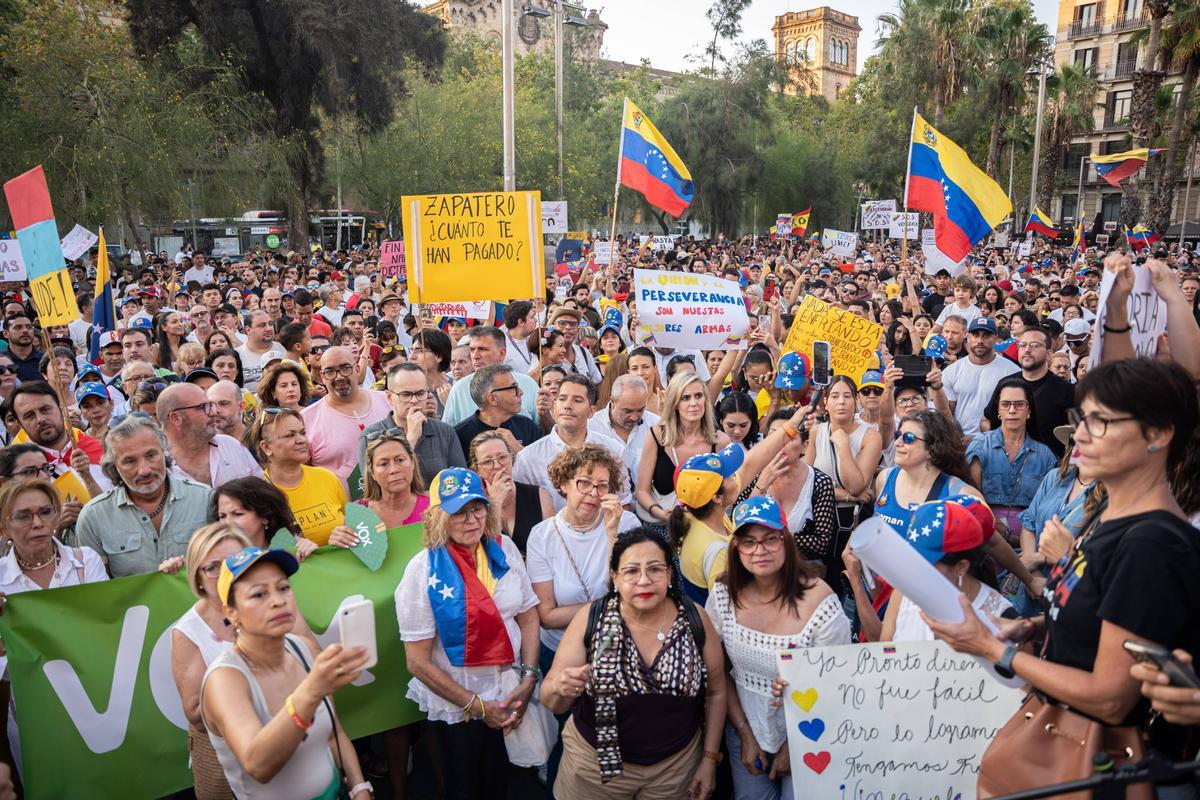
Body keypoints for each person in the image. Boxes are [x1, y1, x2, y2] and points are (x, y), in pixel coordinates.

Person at [927, 358, 1200, 792]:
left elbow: (1110, 698)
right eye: (1081, 419)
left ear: (1159, 434)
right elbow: (1106, 614)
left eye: (1102, 422)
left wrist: (992, 649)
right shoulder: (1112, 521)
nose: (1081, 436)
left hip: (1107, 767)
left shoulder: (1151, 544)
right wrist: (1034, 624)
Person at [542, 528, 725, 800]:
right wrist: (561, 687)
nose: (644, 580)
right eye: (631, 571)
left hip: (674, 771)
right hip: (594, 771)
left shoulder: (693, 619)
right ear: (615, 577)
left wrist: (709, 758)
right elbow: (551, 701)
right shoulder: (593, 619)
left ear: (669, 575)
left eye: (655, 569)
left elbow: (717, 691)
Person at [394, 468, 540, 800]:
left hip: (511, 691)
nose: (471, 519)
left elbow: (529, 616)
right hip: (458, 707)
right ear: (436, 517)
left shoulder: (503, 550)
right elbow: (417, 663)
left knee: (506, 784)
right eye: (458, 511)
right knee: (465, 788)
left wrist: (529, 679)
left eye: (477, 508)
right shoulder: (423, 570)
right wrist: (477, 707)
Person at [199, 546, 373, 800]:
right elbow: (258, 765)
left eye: (283, 588)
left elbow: (334, 733)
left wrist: (359, 788)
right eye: (258, 594)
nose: (278, 600)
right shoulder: (225, 679)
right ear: (231, 612)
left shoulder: (301, 648)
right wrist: (312, 690)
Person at [708, 497, 850, 798]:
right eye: (749, 541)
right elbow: (719, 673)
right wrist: (744, 733)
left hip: (812, 731)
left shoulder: (819, 601)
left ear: (786, 540)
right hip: (744, 724)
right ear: (736, 548)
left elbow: (837, 683)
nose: (760, 550)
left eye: (770, 539)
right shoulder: (723, 594)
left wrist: (794, 746)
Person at [170, 523, 317, 799]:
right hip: (225, 755)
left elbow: (313, 659)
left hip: (297, 738)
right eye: (212, 567)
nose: (224, 573)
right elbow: (194, 711)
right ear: (197, 577)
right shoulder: (188, 631)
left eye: (232, 562)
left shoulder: (277, 608)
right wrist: (258, 699)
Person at [0, 478, 108, 777]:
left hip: (99, 701)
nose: (37, 523)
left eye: (46, 512)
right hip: (34, 715)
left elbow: (107, 627)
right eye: (23, 516)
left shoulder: (85, 562)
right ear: (3, 528)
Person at [671, 400, 815, 605]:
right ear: (717, 498)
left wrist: (790, 427)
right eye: (728, 476)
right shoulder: (719, 552)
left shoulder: (691, 514)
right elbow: (730, 612)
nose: (735, 476)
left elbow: (750, 464)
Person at [527, 445, 640, 664]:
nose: (593, 493)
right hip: (560, 650)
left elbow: (630, 591)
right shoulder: (542, 536)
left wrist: (611, 535)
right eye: (584, 483)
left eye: (602, 486)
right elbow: (548, 616)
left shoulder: (626, 524)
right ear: (563, 484)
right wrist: (607, 606)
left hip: (616, 643)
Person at [76, 415, 212, 578]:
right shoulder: (93, 517)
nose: (144, 470)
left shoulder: (205, 499)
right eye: (129, 461)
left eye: (151, 455)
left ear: (164, 452)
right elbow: (98, 590)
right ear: (114, 466)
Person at [880, 499, 1012, 641]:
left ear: (961, 567)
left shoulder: (1003, 619)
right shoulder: (904, 593)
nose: (913, 570)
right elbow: (884, 652)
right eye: (912, 558)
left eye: (925, 564)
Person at [513, 375, 628, 511]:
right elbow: (521, 510)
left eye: (577, 400)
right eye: (562, 399)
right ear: (554, 406)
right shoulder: (528, 458)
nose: (567, 406)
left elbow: (623, 503)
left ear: (591, 411)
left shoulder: (613, 450)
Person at [966, 379, 1057, 544]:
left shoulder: (1045, 455)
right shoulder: (980, 446)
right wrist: (1003, 531)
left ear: (1029, 409)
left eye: (1019, 404)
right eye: (1006, 404)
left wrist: (1027, 538)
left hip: (1030, 539)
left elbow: (1048, 507)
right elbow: (973, 499)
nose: (1012, 410)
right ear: (998, 409)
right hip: (985, 533)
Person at [250, 409, 356, 547]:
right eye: (289, 435)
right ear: (266, 447)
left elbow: (353, 524)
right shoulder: (258, 494)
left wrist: (343, 536)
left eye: (302, 433)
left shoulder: (325, 476)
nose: (301, 440)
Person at [635, 372, 730, 526]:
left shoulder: (721, 442)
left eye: (698, 396)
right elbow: (641, 491)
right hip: (663, 527)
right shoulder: (657, 436)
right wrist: (659, 513)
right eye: (685, 398)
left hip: (705, 527)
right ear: (675, 403)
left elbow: (729, 492)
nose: (694, 403)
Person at [744, 411, 837, 566]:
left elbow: (821, 543)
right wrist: (762, 485)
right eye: (774, 437)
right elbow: (738, 523)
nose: (780, 444)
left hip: (802, 569)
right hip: (756, 565)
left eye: (789, 437)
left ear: (804, 446)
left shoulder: (820, 482)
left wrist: (771, 538)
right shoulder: (753, 475)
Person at [804, 375, 883, 539]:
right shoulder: (816, 432)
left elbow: (856, 486)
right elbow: (805, 484)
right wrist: (846, 496)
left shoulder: (870, 437)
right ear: (825, 402)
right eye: (835, 396)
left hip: (853, 521)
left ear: (856, 401)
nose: (841, 401)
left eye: (847, 396)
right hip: (817, 519)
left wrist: (844, 446)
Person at [359, 363, 466, 480]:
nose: (414, 400)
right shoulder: (371, 436)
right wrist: (410, 441)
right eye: (405, 394)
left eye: (420, 393)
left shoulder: (445, 432)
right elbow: (375, 489)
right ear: (389, 397)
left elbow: (460, 481)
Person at [980, 326, 1075, 457]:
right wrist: (1001, 441)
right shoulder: (1006, 384)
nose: (1027, 350)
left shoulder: (1066, 390)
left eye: (1035, 345)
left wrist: (1066, 464)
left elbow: (1077, 433)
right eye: (1022, 345)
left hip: (1049, 469)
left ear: (1049, 353)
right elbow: (986, 421)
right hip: (1008, 466)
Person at [301, 346, 390, 484]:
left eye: (345, 368)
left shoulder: (388, 401)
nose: (339, 376)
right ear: (322, 377)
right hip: (343, 505)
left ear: (357, 369)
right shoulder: (306, 419)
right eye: (330, 371)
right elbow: (303, 474)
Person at [158, 383, 264, 488]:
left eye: (210, 406)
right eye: (202, 407)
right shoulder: (158, 466)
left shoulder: (232, 446)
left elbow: (265, 493)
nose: (213, 412)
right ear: (176, 418)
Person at [468, 430, 553, 555]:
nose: (497, 465)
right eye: (487, 461)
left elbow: (553, 546)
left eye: (502, 457)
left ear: (511, 459)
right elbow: (478, 550)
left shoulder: (539, 496)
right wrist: (495, 503)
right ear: (477, 469)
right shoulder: (472, 503)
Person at [441, 327, 541, 426]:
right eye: (472, 350)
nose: (475, 356)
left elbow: (542, 429)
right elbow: (448, 434)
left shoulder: (528, 384)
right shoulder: (459, 389)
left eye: (482, 349)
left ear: (501, 353)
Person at [942, 317, 1019, 437]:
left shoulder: (1012, 372)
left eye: (986, 335)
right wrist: (958, 439)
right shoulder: (951, 371)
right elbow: (947, 412)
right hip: (961, 440)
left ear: (995, 339)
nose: (980, 340)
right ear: (967, 337)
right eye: (976, 335)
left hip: (998, 440)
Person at [210, 477, 318, 560]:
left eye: (238, 514)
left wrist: (309, 552)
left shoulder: (290, 546)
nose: (228, 522)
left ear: (265, 516)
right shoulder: (213, 559)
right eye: (222, 516)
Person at [452, 364, 543, 456]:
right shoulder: (459, 436)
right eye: (513, 388)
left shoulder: (527, 426)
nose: (520, 392)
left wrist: (519, 449)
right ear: (492, 399)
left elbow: (544, 466)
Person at [587, 374, 661, 482]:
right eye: (627, 411)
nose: (634, 417)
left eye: (640, 410)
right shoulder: (591, 427)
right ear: (612, 402)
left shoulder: (656, 425)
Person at [358, 432, 429, 528]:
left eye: (400, 460)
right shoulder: (358, 513)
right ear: (372, 472)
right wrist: (339, 538)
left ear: (412, 463)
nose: (394, 470)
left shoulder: (432, 508)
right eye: (383, 464)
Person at [235, 310, 286, 392]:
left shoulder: (284, 350)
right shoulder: (236, 355)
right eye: (262, 325)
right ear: (248, 330)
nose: (269, 328)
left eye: (270, 324)